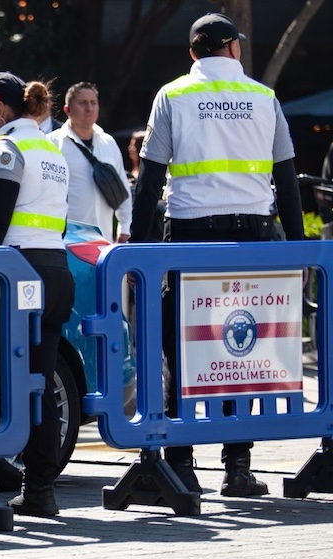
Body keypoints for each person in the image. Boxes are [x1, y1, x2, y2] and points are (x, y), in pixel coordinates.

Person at [129, 13, 304, 497]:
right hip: (253, 238)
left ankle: (181, 466)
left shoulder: (174, 95)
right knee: (238, 347)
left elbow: (148, 181)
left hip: (190, 236)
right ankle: (238, 468)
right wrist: (300, 247)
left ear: (193, 54)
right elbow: (287, 181)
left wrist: (137, 250)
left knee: (183, 346)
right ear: (233, 49)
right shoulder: (262, 97)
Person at [0, 71, 75, 516]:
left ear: (0, 108)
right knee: (37, 385)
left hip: (11, 276)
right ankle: (40, 491)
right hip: (53, 272)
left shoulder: (6, 148)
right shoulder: (49, 147)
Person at [48, 82, 132, 243]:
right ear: (67, 110)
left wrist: (125, 228)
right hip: (66, 242)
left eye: (93, 103)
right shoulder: (52, 144)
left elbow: (124, 191)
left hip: (104, 242)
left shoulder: (108, 142)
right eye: (83, 103)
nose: (89, 108)